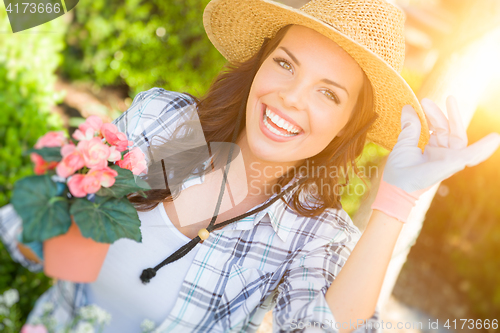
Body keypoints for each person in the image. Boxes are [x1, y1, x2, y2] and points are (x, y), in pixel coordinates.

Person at [1, 0, 499, 332]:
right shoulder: (169, 126)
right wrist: (63, 209)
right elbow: (27, 240)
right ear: (261, 63)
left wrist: (396, 199)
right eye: (285, 64)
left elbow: (319, 326)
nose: (289, 98)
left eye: (328, 93)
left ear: (348, 125)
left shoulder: (311, 233)